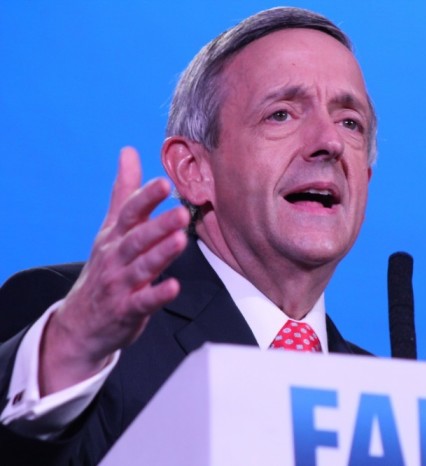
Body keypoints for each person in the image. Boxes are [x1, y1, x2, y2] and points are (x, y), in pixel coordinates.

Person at [0, 7, 376, 464]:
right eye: (281, 114)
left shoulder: (387, 398)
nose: (329, 142)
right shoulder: (85, 330)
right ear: (194, 170)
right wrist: (67, 349)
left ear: (367, 178)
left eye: (350, 122)